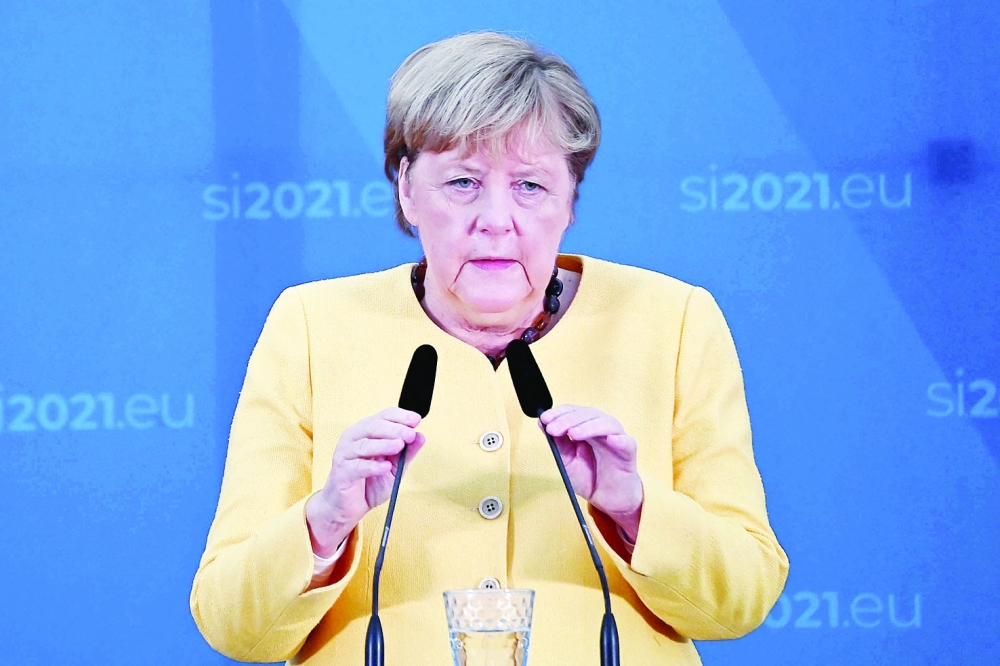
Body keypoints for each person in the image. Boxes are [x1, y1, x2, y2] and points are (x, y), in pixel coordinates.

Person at [190, 31, 788, 665]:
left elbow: (742, 600)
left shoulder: (673, 322)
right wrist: (325, 520)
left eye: (530, 186)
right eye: (464, 182)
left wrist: (633, 508)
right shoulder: (310, 325)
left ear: (569, 200)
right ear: (406, 190)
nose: (497, 219)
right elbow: (234, 627)